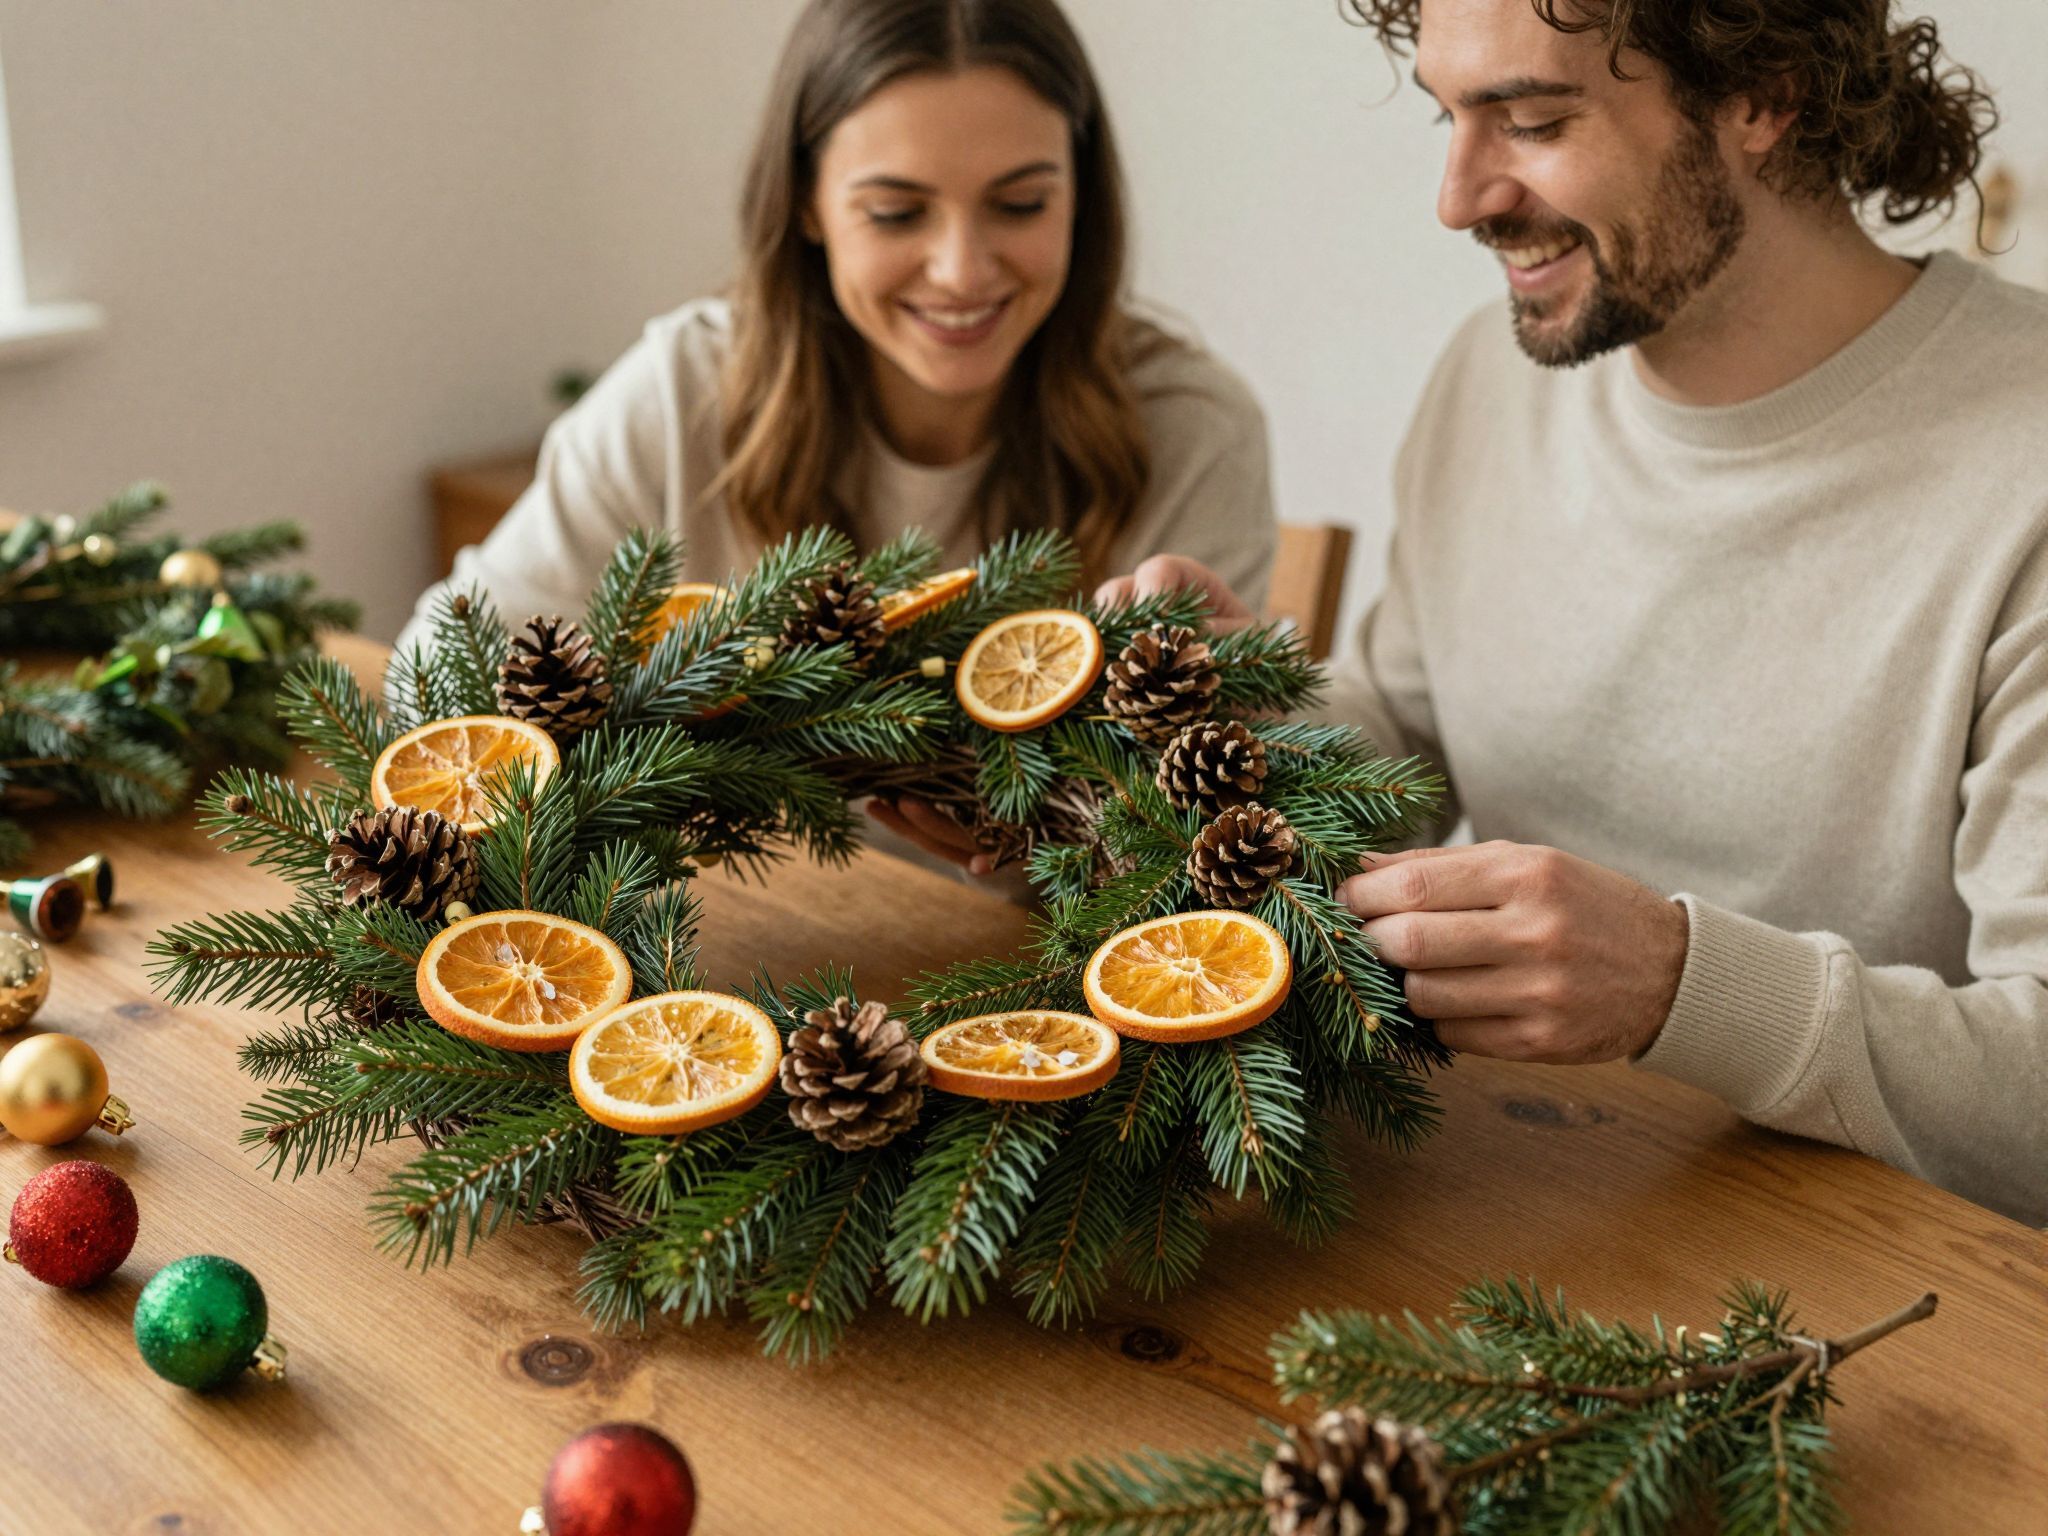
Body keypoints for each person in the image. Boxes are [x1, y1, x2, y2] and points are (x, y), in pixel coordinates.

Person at [1098, 0, 2047, 1225]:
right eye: (1450, 117)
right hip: (1511, 1199)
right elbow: (1408, 725)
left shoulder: (2019, 469)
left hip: (1887, 1306)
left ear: (1765, 92)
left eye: (1533, 119)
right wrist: (1245, 720)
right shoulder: (1487, 379)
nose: (1457, 197)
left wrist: (1680, 988)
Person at [399, 0, 1277, 871]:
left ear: (1080, 196)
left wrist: (1071, 845)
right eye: (897, 213)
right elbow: (433, 684)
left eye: (1020, 204)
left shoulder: (1192, 429)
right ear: (808, 202)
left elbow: (1216, 833)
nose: (962, 269)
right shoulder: (681, 396)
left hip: (1033, 975)